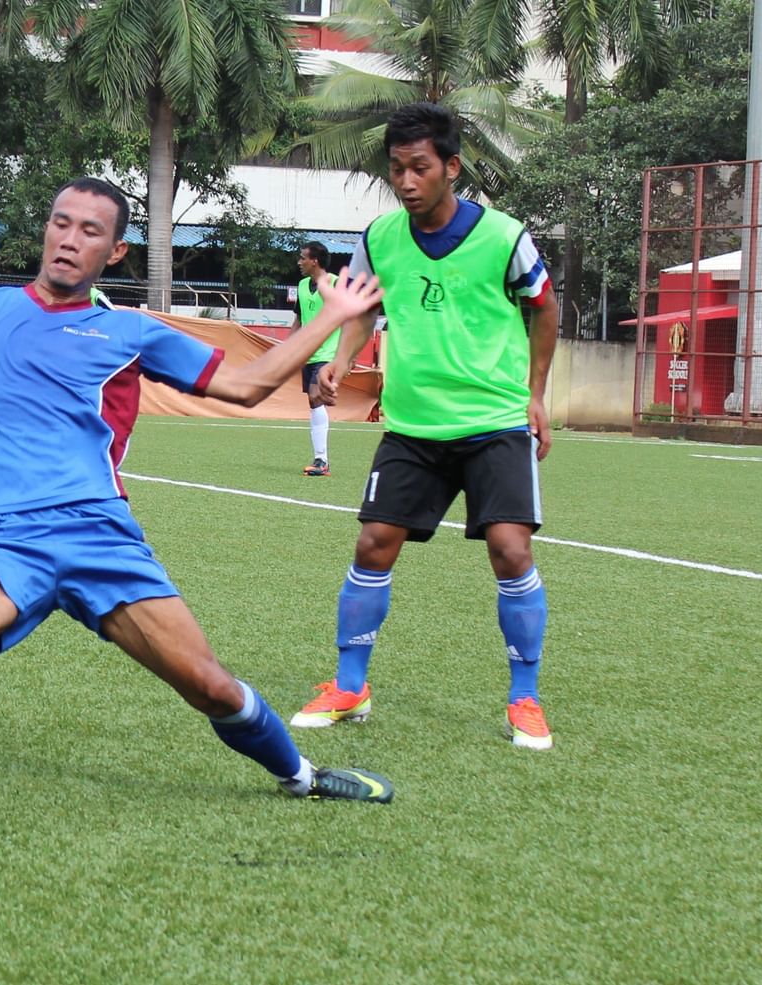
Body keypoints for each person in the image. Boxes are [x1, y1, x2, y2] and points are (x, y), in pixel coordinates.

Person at [0, 177, 395, 834]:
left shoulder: (130, 331)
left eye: (89, 231)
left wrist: (332, 318)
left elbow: (249, 385)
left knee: (210, 684)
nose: (68, 238)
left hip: (100, 537)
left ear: (114, 252)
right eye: (61, 222)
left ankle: (303, 775)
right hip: (3, 535)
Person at [291, 102, 559, 750]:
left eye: (419, 168)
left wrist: (536, 394)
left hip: (494, 420)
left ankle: (524, 697)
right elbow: (361, 307)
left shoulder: (504, 236)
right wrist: (341, 361)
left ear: (451, 167)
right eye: (396, 170)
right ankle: (351, 685)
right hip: (413, 426)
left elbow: (546, 307)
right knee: (373, 544)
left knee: (511, 550)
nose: (406, 182)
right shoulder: (381, 236)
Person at [291, 242, 340, 476]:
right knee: (313, 402)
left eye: (303, 258)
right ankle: (320, 460)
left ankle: (322, 461)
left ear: (315, 261)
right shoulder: (301, 285)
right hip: (309, 354)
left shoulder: (336, 284)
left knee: (315, 397)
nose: (299, 262)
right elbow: (299, 320)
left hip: (328, 354)